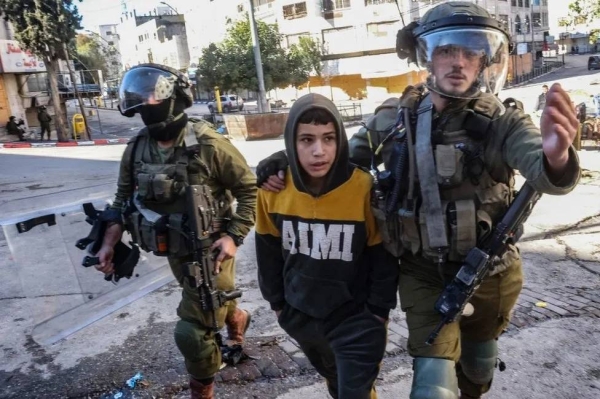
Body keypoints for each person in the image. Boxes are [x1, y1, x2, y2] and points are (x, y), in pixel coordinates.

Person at [255, 2, 581, 399]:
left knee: (477, 366)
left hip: (491, 271)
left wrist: (557, 157)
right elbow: (338, 165)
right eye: (446, 51)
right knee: (431, 385)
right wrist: (283, 162)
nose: (457, 62)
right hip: (421, 271)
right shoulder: (393, 119)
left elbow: (544, 169)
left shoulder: (504, 123)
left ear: (483, 63)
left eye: (470, 53)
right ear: (428, 56)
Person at [93, 63, 257, 399]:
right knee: (211, 306)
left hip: (213, 250)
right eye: (141, 101)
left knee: (193, 333)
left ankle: (203, 392)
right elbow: (121, 201)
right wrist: (108, 245)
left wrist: (234, 236)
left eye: (152, 96)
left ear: (174, 97)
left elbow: (249, 189)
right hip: (173, 250)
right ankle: (236, 317)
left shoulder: (208, 143)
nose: (146, 105)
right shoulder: (137, 148)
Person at [255, 93, 399, 399]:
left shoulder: (361, 187)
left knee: (354, 391)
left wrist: (377, 311)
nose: (319, 151)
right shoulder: (273, 191)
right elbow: (267, 253)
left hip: (356, 318)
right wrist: (279, 306)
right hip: (301, 315)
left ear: (340, 141)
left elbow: (382, 257)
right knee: (336, 381)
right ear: (291, 144)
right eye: (306, 140)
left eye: (329, 139)